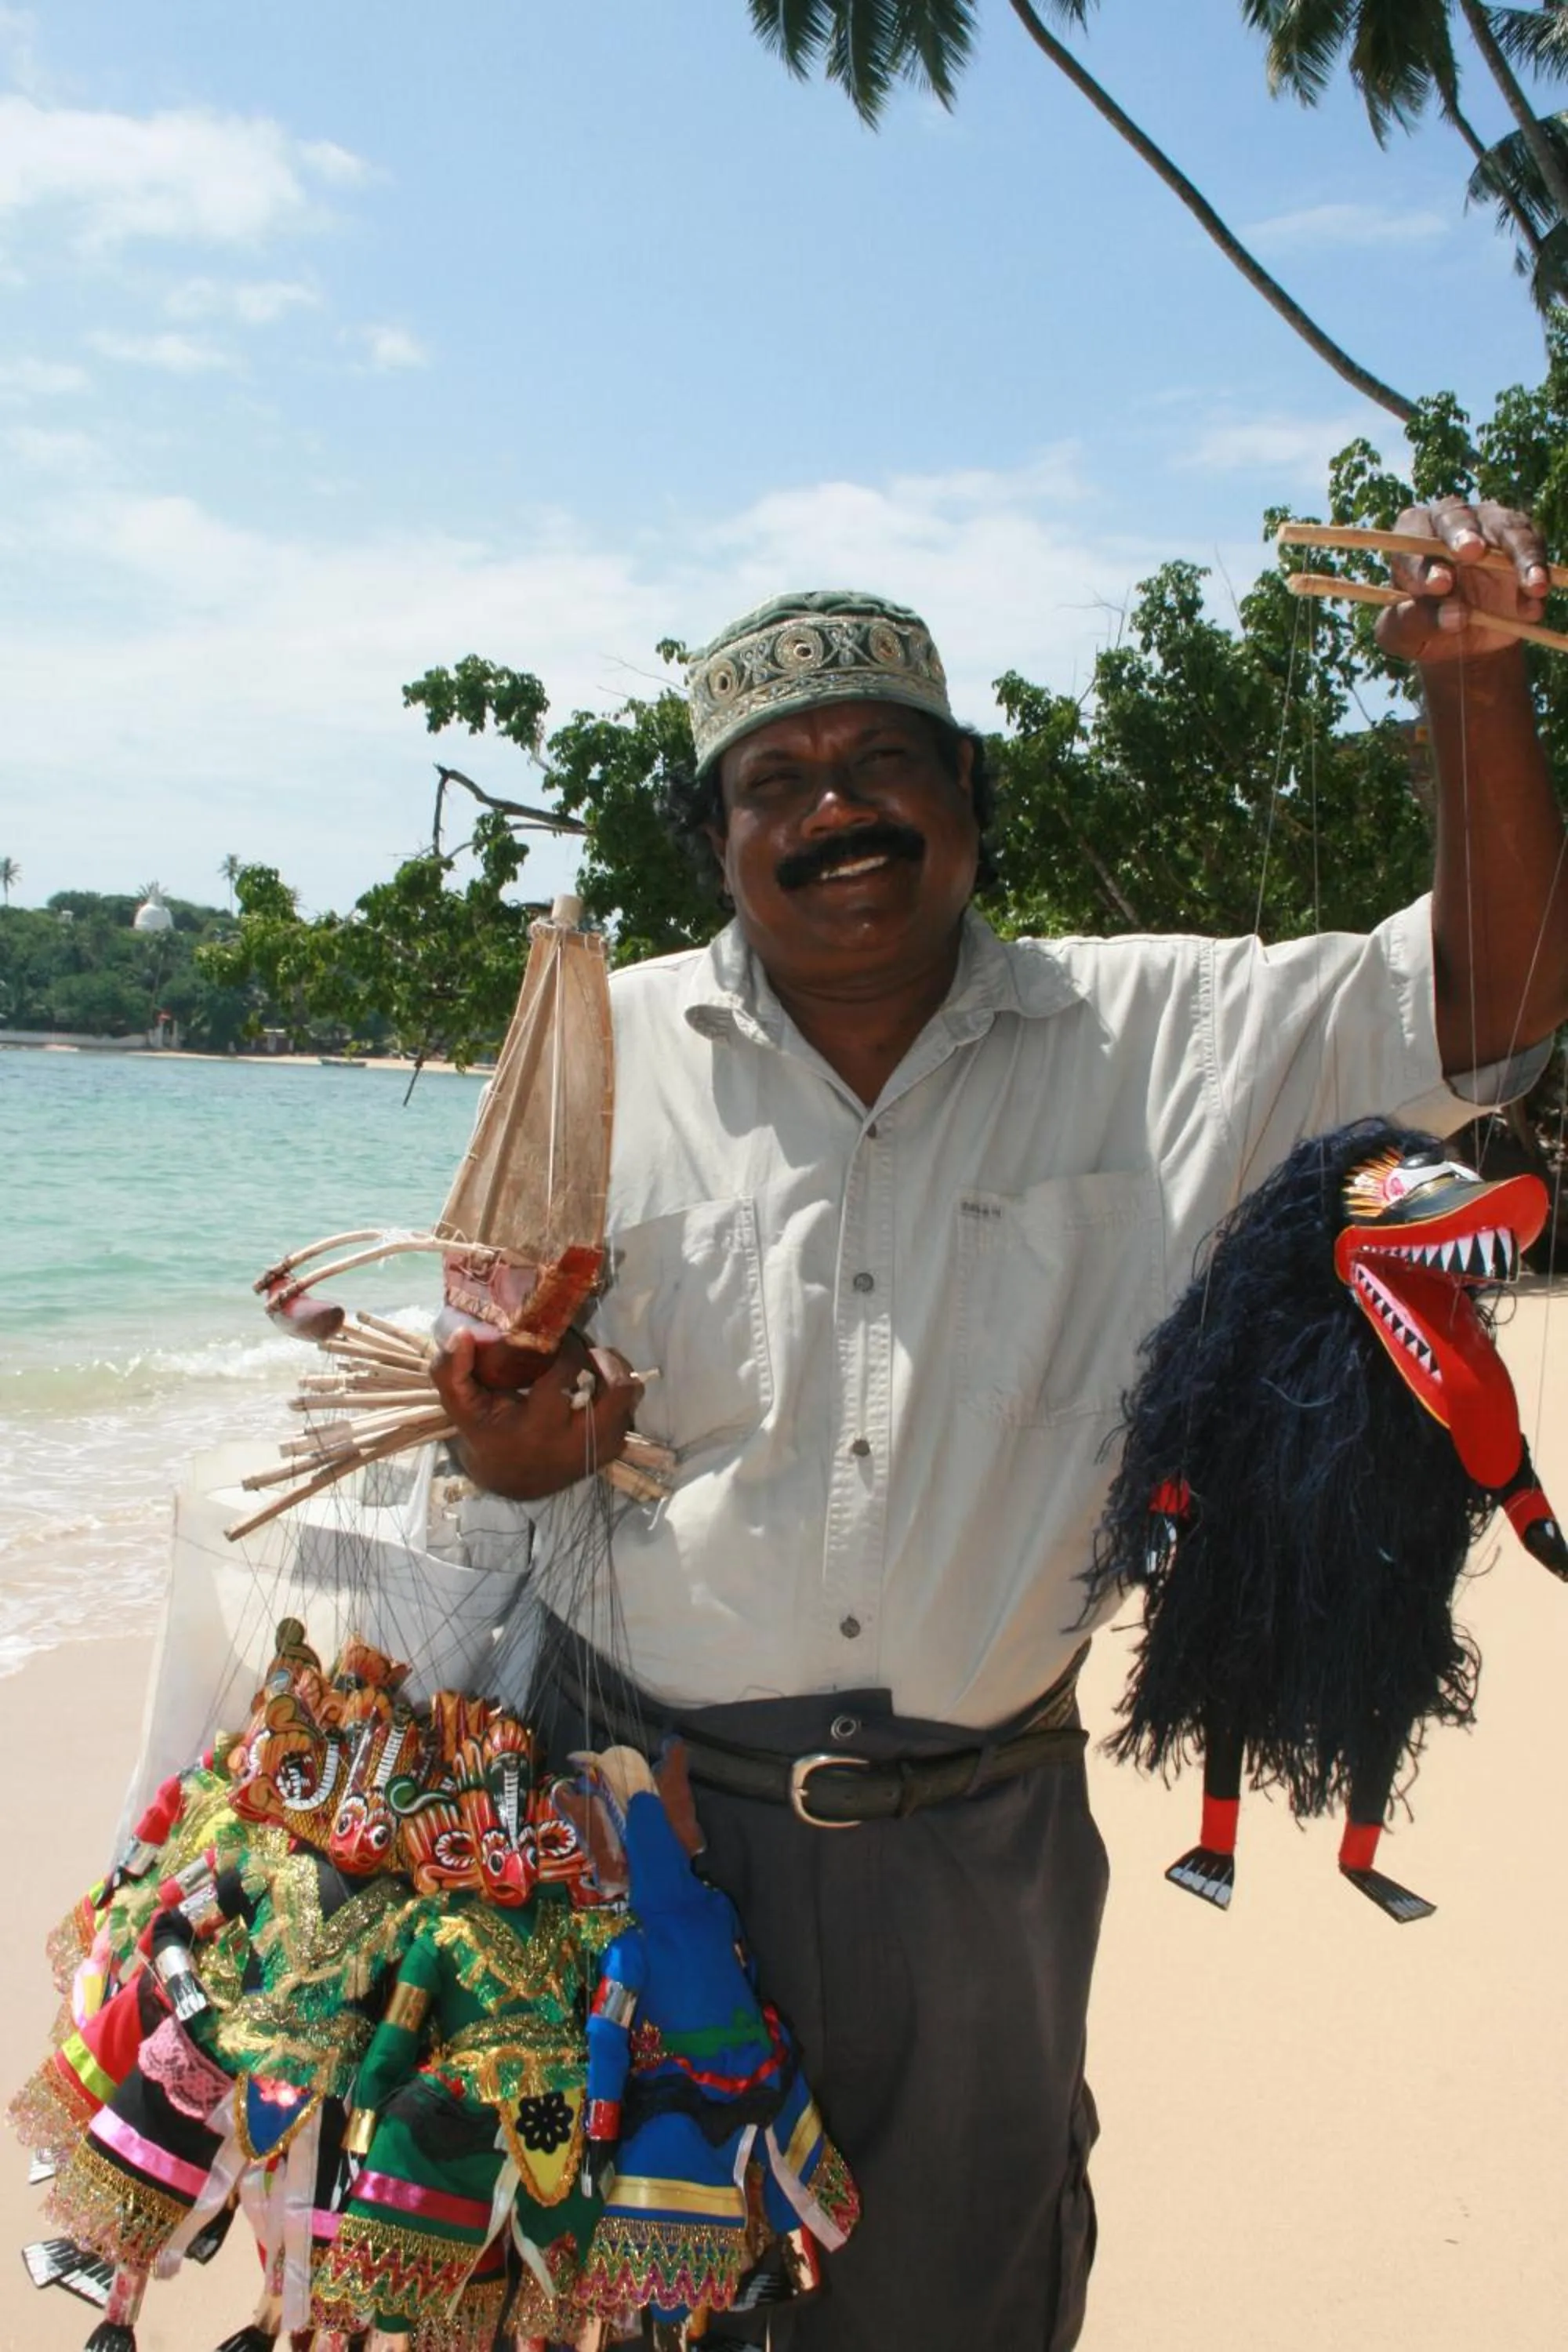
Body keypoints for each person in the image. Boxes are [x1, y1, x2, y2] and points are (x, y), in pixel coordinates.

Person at [431, 503, 1568, 2350]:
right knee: (609, 2315)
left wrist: (1471, 690)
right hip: (631, 1826)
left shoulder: (1167, 1027)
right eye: (774, 781)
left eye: (885, 758)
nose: (835, 808)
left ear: (968, 790)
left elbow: (1492, 1014)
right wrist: (511, 1448)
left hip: (974, 1853)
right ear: (713, 843)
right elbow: (468, 1437)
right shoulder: (593, 1052)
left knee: (956, 2304)